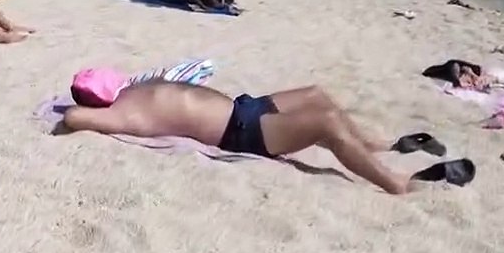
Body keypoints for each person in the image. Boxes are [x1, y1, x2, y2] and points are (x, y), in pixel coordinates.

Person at [55, 80, 475, 194]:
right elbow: (73, 117)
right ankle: (397, 183)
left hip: (245, 107)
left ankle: (376, 145)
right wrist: (86, 111)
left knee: (317, 94)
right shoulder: (121, 112)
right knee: (325, 122)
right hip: (242, 132)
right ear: (97, 100)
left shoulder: (130, 89)